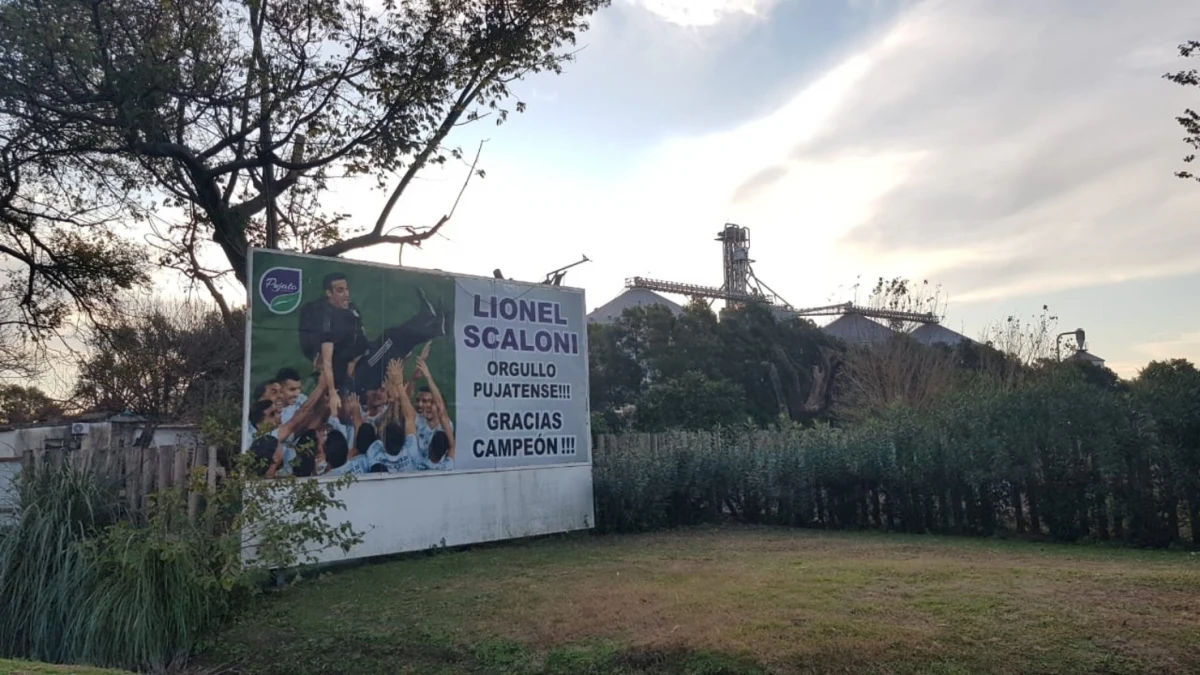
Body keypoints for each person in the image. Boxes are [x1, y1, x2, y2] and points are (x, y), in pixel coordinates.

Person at [365, 359, 422, 473]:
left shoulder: (375, 457)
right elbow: (410, 417)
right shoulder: (411, 453)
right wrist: (399, 385)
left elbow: (380, 429)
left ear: (383, 443)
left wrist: (393, 399)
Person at [412, 354, 455, 469]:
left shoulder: (446, 426)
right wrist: (413, 380)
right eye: (425, 403)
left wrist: (428, 377)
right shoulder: (418, 419)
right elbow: (404, 403)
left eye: (431, 402)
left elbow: (441, 408)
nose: (427, 406)